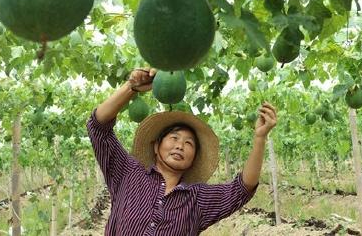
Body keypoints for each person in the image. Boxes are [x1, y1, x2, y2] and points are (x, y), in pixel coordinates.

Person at [87, 68, 277, 235]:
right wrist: (131, 87)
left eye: (189, 144)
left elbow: (242, 190)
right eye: (174, 138)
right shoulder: (128, 173)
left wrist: (259, 139)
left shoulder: (198, 199)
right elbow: (98, 127)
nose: (180, 146)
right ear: (156, 146)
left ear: (194, 158)